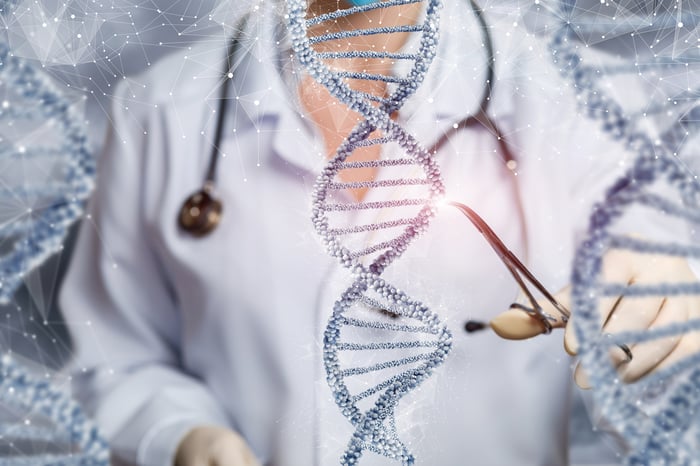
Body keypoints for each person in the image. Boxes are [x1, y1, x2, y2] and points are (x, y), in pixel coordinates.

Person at [59, 0, 700, 465]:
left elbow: (652, 268)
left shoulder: (569, 97)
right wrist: (181, 436)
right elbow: (117, 357)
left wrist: (670, 305)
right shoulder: (163, 111)